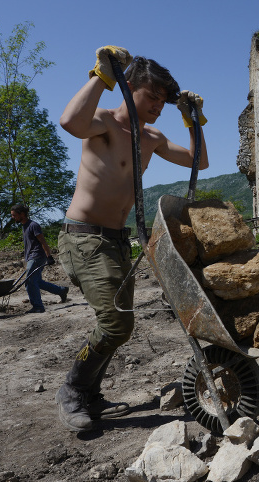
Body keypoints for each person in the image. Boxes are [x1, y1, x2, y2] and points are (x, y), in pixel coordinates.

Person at [54, 46, 208, 432]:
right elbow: (70, 122)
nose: (157, 105)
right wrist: (101, 77)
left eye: (163, 100)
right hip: (84, 238)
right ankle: (72, 391)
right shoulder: (103, 122)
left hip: (119, 240)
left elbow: (198, 162)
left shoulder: (152, 137)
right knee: (116, 325)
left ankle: (91, 396)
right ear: (129, 87)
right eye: (151, 96)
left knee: (120, 323)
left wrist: (192, 122)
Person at [10, 203, 69, 313]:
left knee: (30, 282)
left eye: (14, 215)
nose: (13, 217)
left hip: (37, 256)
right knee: (37, 281)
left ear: (22, 214)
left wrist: (49, 256)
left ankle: (38, 307)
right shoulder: (24, 226)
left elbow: (42, 241)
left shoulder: (33, 225)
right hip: (31, 257)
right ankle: (61, 291)